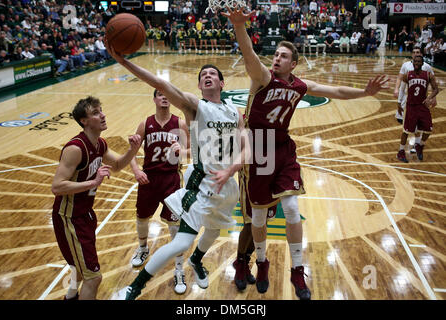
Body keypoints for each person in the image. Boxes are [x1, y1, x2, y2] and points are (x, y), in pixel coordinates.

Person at [223, 7, 388, 300]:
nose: (276, 58)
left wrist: (364, 93)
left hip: (283, 148)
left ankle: (297, 271)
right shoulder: (262, 77)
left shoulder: (300, 85)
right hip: (258, 150)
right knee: (258, 219)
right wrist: (239, 26)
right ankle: (261, 262)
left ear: (294, 64)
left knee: (290, 208)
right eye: (275, 54)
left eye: (283, 56)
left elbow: (335, 90)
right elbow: (249, 54)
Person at [105, 41, 250, 300]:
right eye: (203, 75)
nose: (207, 76)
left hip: (227, 184)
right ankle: (134, 288)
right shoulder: (196, 106)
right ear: (199, 86)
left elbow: (247, 148)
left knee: (215, 230)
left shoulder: (234, 112)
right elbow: (162, 85)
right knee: (181, 242)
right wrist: (125, 62)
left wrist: (232, 170)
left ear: (222, 83)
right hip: (203, 183)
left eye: (212, 74)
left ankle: (196, 260)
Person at [51, 96, 142, 300]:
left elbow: (117, 166)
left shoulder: (99, 144)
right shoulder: (75, 148)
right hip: (70, 218)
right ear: (84, 121)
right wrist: (93, 183)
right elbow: (56, 186)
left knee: (80, 269)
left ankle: (71, 297)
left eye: (101, 110)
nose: (102, 115)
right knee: (93, 278)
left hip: (85, 214)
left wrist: (132, 150)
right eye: (95, 113)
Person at [129, 89, 190, 295]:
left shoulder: (180, 123)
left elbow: (190, 150)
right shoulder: (145, 124)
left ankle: (179, 268)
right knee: (142, 217)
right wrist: (136, 170)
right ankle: (143, 247)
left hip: (171, 178)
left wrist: (180, 150)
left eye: (167, 95)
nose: (164, 97)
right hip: (149, 178)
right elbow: (131, 152)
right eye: (160, 95)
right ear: (154, 99)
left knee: (175, 226)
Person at [393, 47, 436, 154]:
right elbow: (400, 80)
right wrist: (396, 90)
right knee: (408, 126)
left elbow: (433, 84)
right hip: (408, 100)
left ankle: (416, 145)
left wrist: (432, 97)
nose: (415, 54)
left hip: (421, 101)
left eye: (418, 52)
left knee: (419, 127)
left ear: (421, 54)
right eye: (414, 52)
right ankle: (406, 148)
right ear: (412, 54)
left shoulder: (427, 68)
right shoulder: (406, 66)